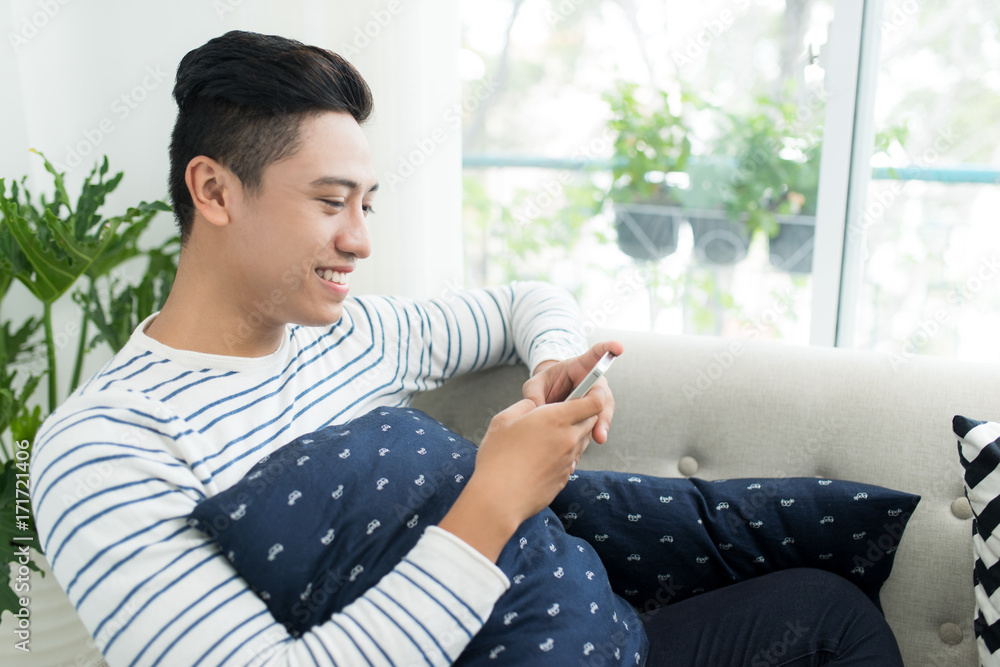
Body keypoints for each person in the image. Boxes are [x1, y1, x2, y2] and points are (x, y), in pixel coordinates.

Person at [30, 30, 904, 666]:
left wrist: (556, 362)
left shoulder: (350, 336)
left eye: (368, 204)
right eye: (332, 201)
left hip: (579, 637)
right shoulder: (109, 448)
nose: (360, 240)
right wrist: (492, 500)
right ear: (215, 190)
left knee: (828, 613)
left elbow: (528, 302)